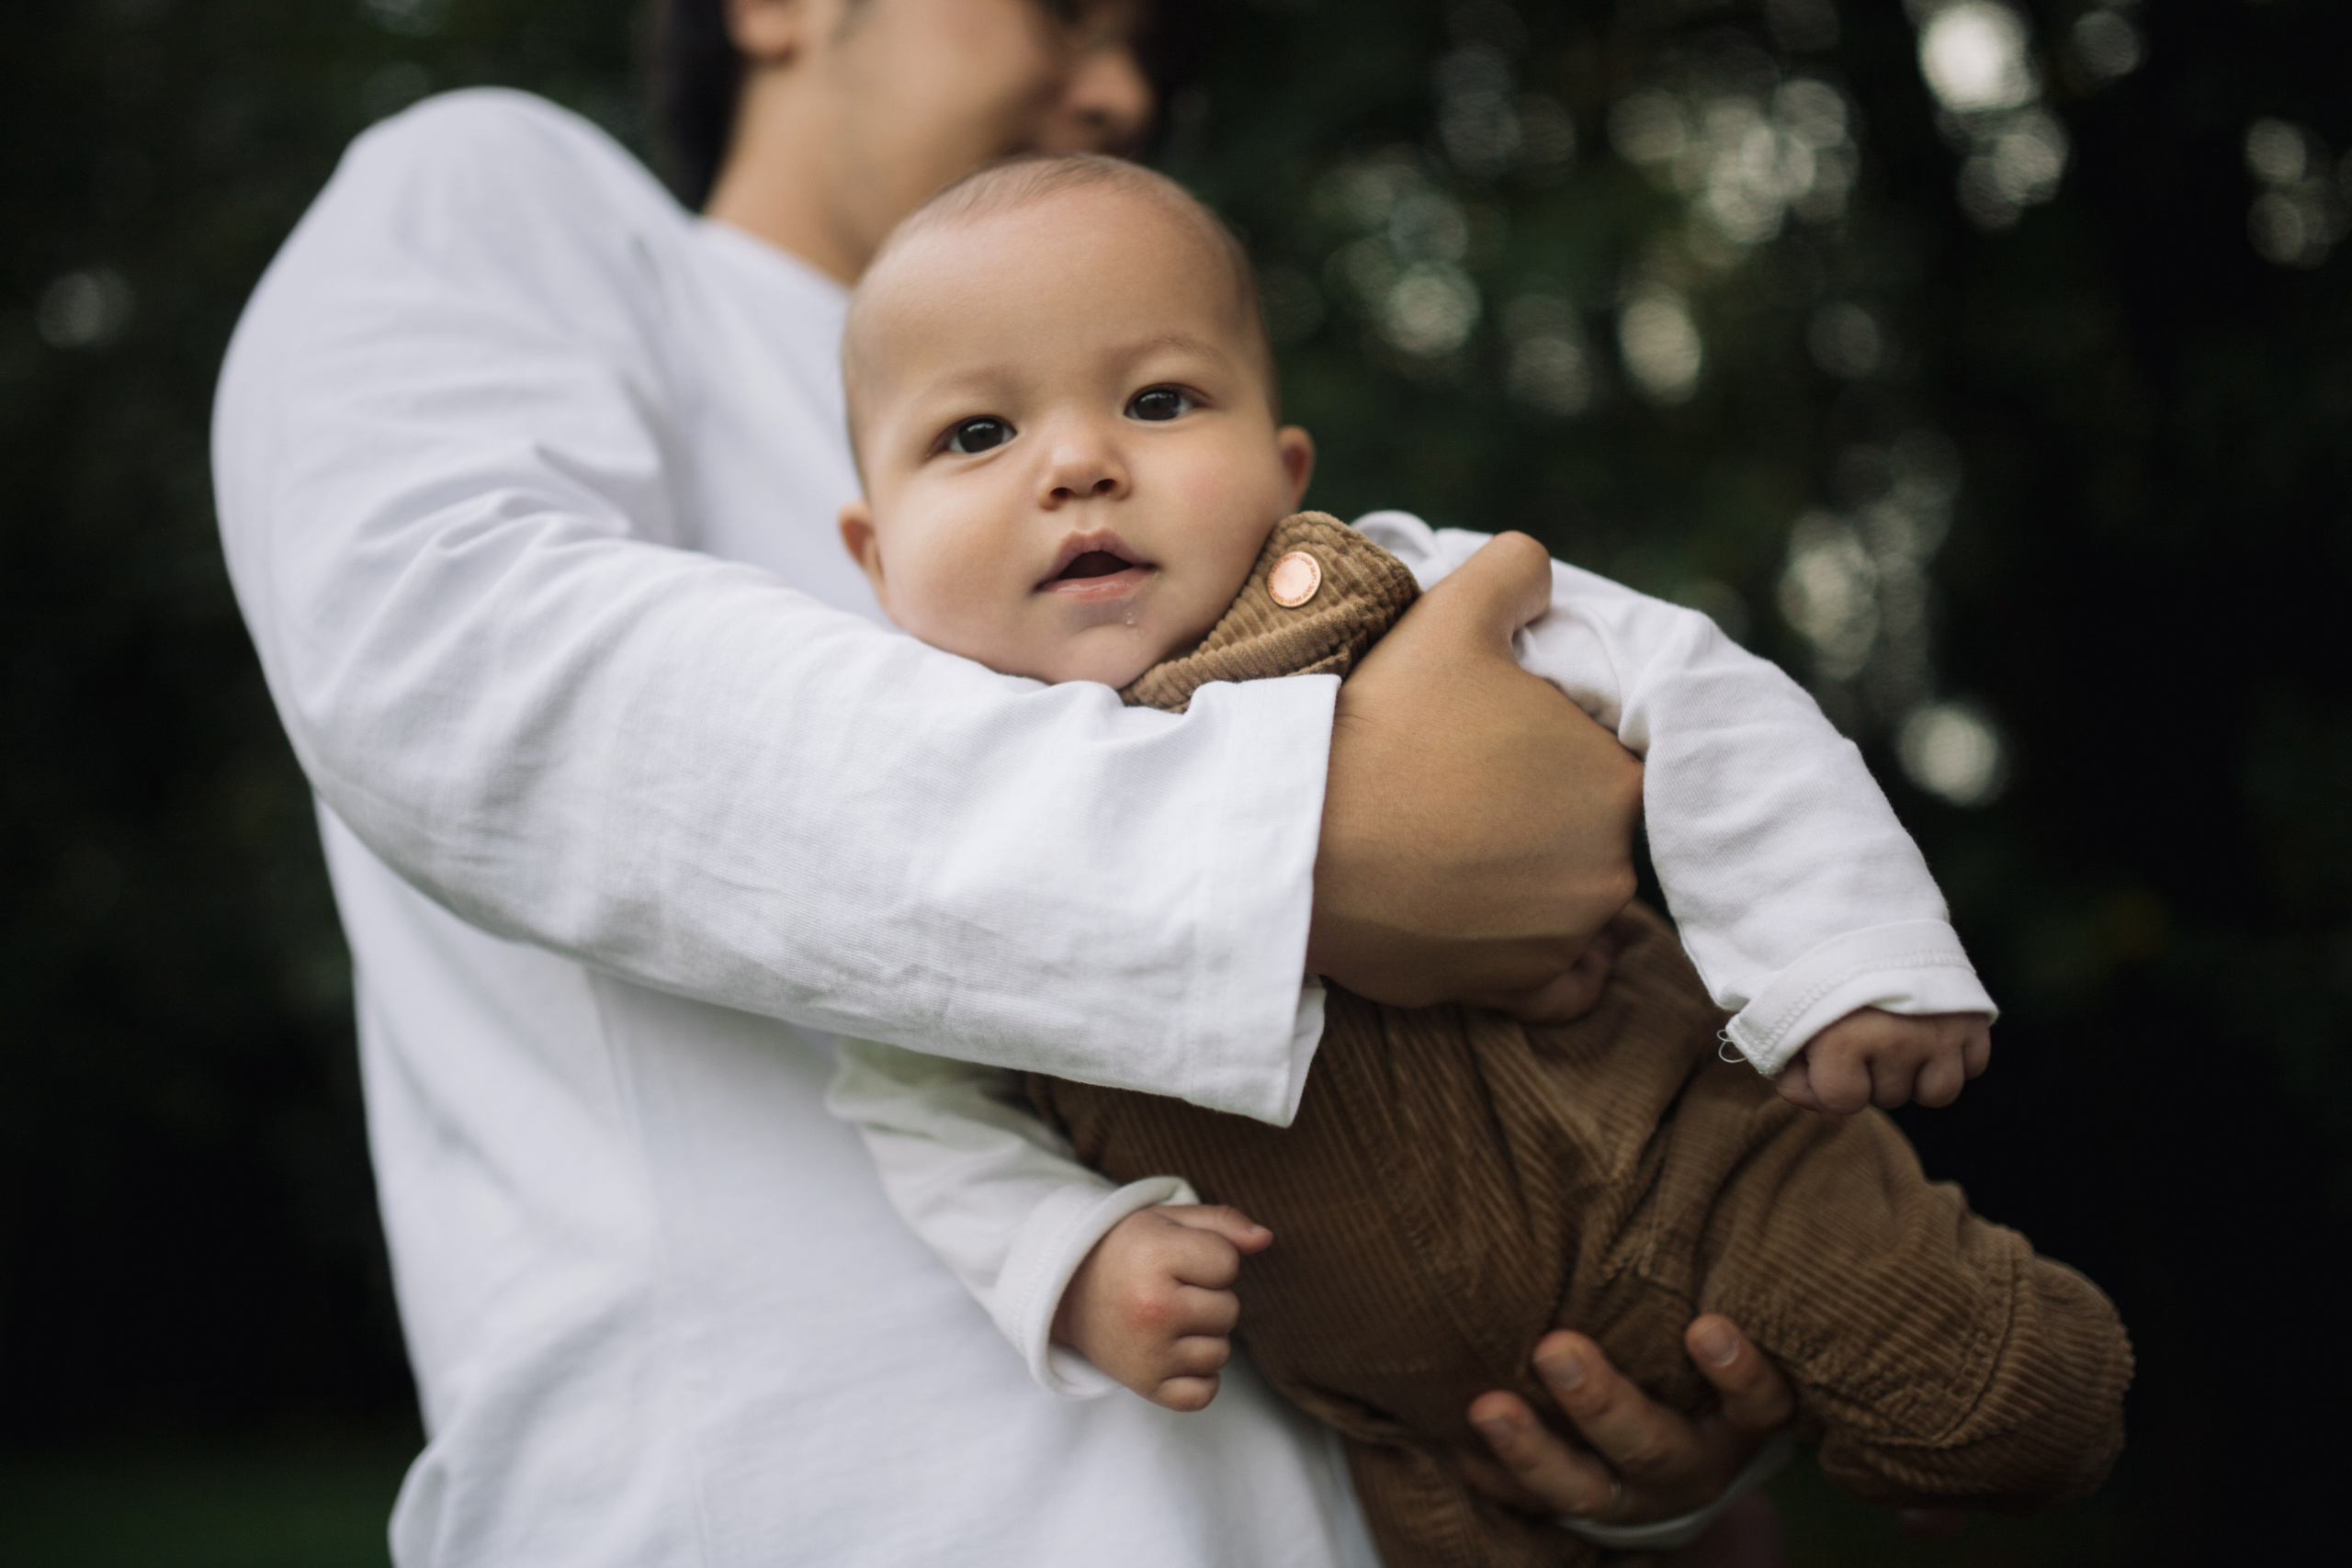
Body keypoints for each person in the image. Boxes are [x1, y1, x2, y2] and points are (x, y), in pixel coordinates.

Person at [211, 0, 1800, 1562]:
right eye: (1065, 12)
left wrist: (1628, 1437)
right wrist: (1305, 844)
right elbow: (448, 653)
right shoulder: (514, 200)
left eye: (1159, 58)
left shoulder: (1187, 459)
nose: (1115, 87)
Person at [820, 155, 2132, 1567]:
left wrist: (1838, 951)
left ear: (1283, 464)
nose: (1078, 463)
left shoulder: (1388, 592)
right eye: (975, 433)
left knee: (2008, 1406)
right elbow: (908, 1094)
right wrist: (1068, 1264)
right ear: (877, 555)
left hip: (1695, 1172)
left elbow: (1689, 686)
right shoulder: (936, 817)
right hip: (1411, 1433)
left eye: (1158, 401)